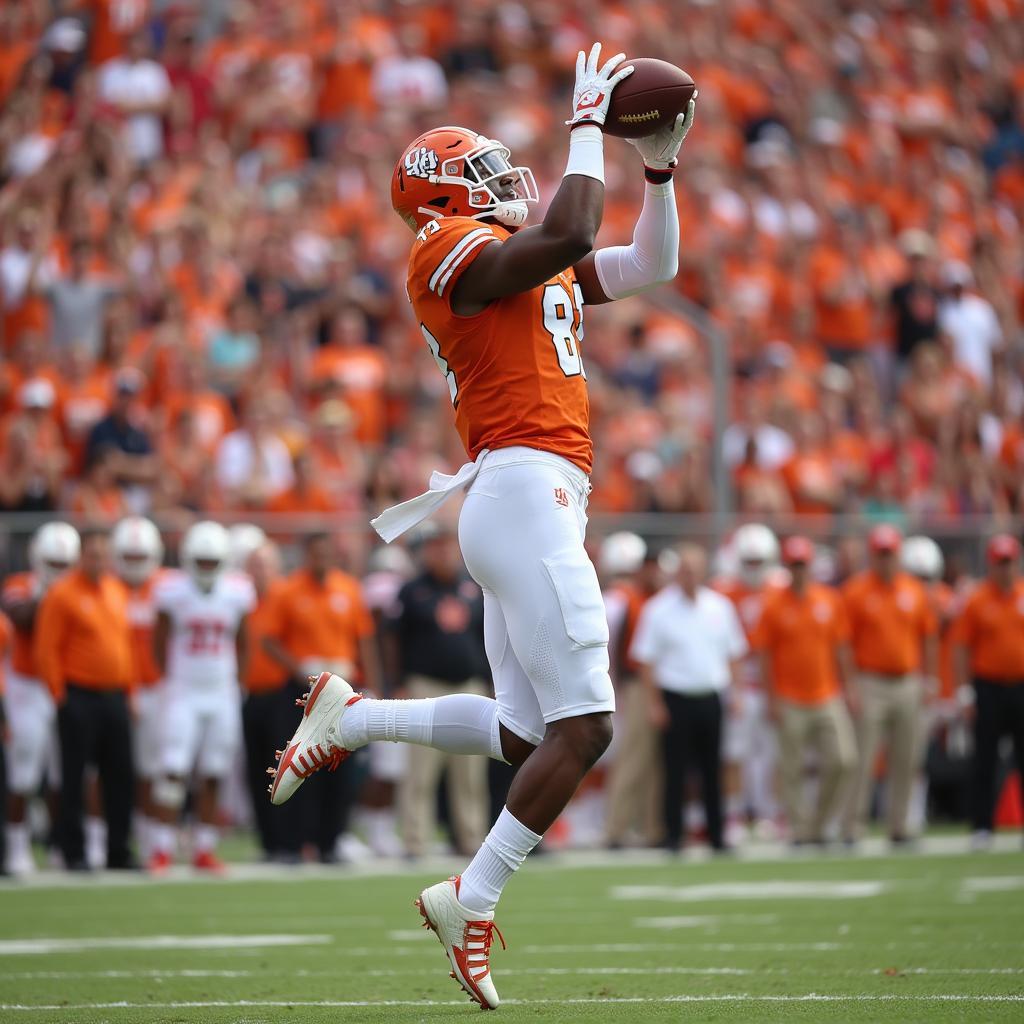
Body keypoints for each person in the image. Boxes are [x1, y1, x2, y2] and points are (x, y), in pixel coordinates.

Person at [268, 43, 695, 1008]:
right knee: (587, 730)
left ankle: (355, 717)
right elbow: (579, 224)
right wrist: (587, 124)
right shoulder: (444, 256)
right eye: (479, 174)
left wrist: (658, 172)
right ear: (438, 202)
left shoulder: (513, 262)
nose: (503, 180)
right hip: (521, 490)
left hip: (529, 499)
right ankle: (475, 890)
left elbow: (649, 262)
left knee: (524, 734)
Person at [262, 532, 381, 863]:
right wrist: (297, 667)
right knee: (300, 761)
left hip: (343, 687)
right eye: (315, 553)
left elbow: (364, 640)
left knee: (339, 766)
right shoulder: (287, 591)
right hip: (304, 690)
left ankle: (330, 841)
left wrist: (372, 683)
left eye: (326, 553)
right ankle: (294, 843)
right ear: (305, 555)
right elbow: (268, 640)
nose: (321, 559)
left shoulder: (348, 589)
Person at [148, 521, 253, 872]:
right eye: (201, 561)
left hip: (221, 692)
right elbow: (158, 642)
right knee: (173, 768)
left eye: (212, 561)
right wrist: (171, 680)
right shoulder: (172, 591)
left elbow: (244, 641)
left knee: (214, 771)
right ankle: (161, 846)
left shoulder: (237, 591)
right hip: (184, 691)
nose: (207, 567)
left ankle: (203, 847)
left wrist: (237, 681)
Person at [631, 543, 747, 853]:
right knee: (675, 770)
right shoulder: (658, 609)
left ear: (704, 571)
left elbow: (733, 653)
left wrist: (736, 693)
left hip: (710, 695)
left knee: (713, 769)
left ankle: (717, 835)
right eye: (684, 569)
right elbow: (646, 660)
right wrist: (654, 703)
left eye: (694, 569)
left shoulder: (719, 607)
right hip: (675, 696)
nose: (689, 575)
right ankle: (673, 835)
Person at [386, 522, 489, 859]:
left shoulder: (474, 587)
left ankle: (471, 837)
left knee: (470, 771)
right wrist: (396, 682)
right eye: (436, 546)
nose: (443, 552)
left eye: (448, 545)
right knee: (421, 769)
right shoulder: (411, 591)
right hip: (424, 685)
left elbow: (489, 638)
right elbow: (392, 640)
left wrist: (489, 681)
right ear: (426, 551)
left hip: (469, 684)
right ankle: (416, 840)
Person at [34, 528, 135, 871]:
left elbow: (124, 647)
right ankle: (73, 851)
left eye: (103, 555)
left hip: (114, 695)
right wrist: (59, 695)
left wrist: (129, 692)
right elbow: (46, 649)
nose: (99, 561)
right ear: (81, 557)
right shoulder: (62, 594)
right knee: (74, 777)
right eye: (92, 555)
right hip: (79, 695)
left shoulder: (116, 590)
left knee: (120, 775)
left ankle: (117, 850)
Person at [754, 536, 857, 845]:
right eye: (794, 565)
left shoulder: (829, 599)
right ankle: (801, 829)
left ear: (811, 566)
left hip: (826, 693)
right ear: (787, 567)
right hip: (789, 697)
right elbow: (764, 655)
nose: (799, 570)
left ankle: (821, 822)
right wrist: (770, 698)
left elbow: (841, 648)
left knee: (844, 759)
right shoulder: (773, 605)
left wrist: (849, 687)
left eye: (803, 564)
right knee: (792, 769)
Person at [842, 525, 938, 845]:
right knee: (863, 757)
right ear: (872, 555)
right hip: (871, 681)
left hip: (907, 681)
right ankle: (852, 827)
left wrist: (929, 678)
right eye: (880, 554)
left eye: (890, 554)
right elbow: (843, 643)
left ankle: (898, 825)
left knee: (906, 758)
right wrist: (851, 684)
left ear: (898, 555)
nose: (885, 560)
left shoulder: (913, 590)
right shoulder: (856, 591)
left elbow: (928, 636)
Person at [2, 522, 81, 875]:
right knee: (24, 768)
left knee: (62, 772)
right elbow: (22, 618)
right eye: (54, 562)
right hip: (26, 685)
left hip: (63, 684)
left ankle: (58, 843)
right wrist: (54, 596)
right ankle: (17, 847)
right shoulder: (20, 584)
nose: (59, 570)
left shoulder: (81, 591)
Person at [952, 535, 1024, 850]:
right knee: (984, 758)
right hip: (988, 686)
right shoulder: (978, 600)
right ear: (991, 565)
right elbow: (961, 647)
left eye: (1009, 562)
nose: (1005, 569)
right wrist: (965, 691)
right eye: (999, 563)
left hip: (1021, 685)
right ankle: (982, 825)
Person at [714, 522, 782, 841]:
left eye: (758, 562)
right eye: (748, 561)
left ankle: (769, 812)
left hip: (770, 682)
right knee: (735, 753)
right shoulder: (724, 592)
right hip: (738, 682)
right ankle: (734, 813)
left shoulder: (780, 590)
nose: (753, 568)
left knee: (770, 754)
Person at [600, 532, 663, 848]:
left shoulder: (661, 601)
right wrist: (616, 689)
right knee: (633, 757)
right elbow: (615, 649)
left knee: (657, 762)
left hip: (666, 683)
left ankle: (653, 827)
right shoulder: (629, 602)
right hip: (637, 685)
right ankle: (616, 828)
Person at [110, 515, 165, 861]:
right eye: (127, 557)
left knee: (152, 769)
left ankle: (149, 839)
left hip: (158, 689)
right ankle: (100, 839)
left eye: (139, 557)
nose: (133, 565)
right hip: (115, 689)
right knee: (106, 770)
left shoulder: (167, 586)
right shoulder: (107, 588)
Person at [239, 541, 298, 862]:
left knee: (282, 770)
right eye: (254, 565)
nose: (259, 572)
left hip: (280, 692)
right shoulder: (242, 601)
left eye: (265, 565)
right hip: (251, 693)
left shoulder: (285, 597)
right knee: (256, 771)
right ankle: (268, 841)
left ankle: (287, 840)